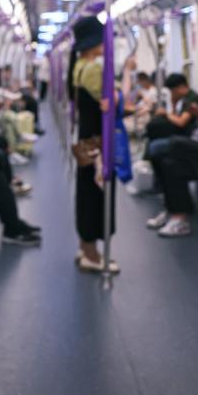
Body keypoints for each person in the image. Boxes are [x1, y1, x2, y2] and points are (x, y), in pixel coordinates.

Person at [69, 15, 119, 274]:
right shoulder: (94, 70)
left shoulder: (78, 66)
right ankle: (91, 254)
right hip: (98, 143)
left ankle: (85, 247)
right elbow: (113, 102)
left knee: (86, 192)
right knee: (97, 196)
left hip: (85, 139)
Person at [147, 64, 198, 237]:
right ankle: (177, 214)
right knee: (167, 163)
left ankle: (176, 213)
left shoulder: (193, 98)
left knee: (173, 144)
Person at [145, 72, 198, 146]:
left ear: (181, 87)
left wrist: (166, 113)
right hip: (192, 133)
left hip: (197, 136)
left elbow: (181, 122)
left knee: (155, 144)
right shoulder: (186, 98)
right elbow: (176, 117)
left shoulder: (192, 99)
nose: (171, 95)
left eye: (172, 91)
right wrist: (173, 104)